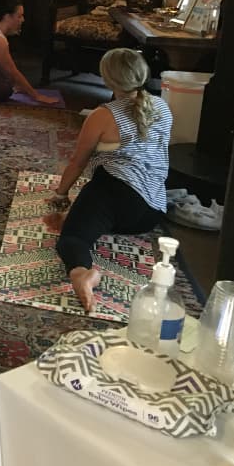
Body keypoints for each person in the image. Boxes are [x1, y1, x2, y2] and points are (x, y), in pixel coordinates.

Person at [43, 48, 172, 312]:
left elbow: (78, 161)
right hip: (152, 211)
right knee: (95, 216)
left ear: (107, 78)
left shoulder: (103, 115)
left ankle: (83, 274)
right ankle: (92, 220)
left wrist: (60, 195)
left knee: (72, 240)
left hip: (115, 193)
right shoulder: (162, 106)